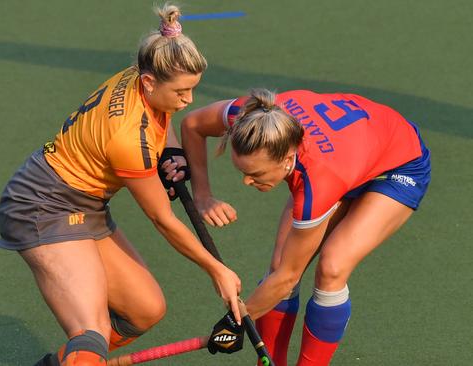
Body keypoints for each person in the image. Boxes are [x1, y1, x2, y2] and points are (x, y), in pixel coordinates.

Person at [0, 4, 243, 366]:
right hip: (43, 206)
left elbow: (162, 115)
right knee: (91, 333)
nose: (188, 100)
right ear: (149, 82)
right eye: (181, 92)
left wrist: (171, 152)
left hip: (86, 204)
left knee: (145, 309)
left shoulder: (141, 74)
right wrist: (216, 270)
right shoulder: (129, 139)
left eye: (192, 89)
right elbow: (163, 219)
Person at [180, 88, 431, 365]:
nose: (247, 182)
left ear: (288, 158)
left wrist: (236, 322)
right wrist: (202, 195)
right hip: (348, 152)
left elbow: (288, 277)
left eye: (256, 174)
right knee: (278, 264)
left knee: (332, 267)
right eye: (243, 171)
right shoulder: (253, 118)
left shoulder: (317, 183)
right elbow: (192, 125)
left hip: (397, 165)